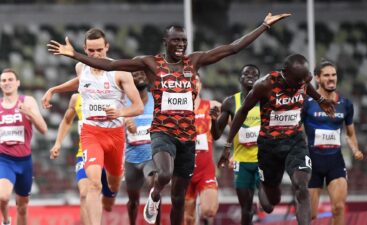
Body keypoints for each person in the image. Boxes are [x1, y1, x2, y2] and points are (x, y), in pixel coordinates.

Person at [47, 12, 291, 225]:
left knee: (177, 197)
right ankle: (154, 196)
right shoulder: (151, 63)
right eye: (176, 40)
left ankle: (160, 202)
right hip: (162, 132)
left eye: (184, 40)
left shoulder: (193, 62)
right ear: (166, 42)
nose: (181, 44)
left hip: (187, 137)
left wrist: (264, 26)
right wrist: (76, 55)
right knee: (163, 174)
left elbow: (232, 48)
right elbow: (109, 66)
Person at [219, 54, 336, 225]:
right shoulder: (265, 85)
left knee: (301, 186)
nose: (301, 84)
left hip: (295, 140)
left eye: (304, 80)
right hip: (269, 146)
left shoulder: (301, 80)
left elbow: (306, 84)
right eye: (298, 81)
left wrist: (320, 99)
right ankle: (267, 189)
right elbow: (242, 111)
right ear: (285, 74)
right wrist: (228, 144)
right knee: (270, 203)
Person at [44, 28, 144, 225]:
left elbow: (138, 106)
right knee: (93, 184)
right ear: (84, 49)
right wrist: (54, 89)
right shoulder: (82, 68)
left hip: (115, 135)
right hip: (91, 134)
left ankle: (111, 192)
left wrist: (121, 113)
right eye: (91, 51)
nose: (96, 55)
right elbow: (80, 83)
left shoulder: (120, 73)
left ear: (107, 47)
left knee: (113, 184)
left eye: (100, 50)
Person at [302, 60, 364, 225]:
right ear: (317, 78)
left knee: (338, 208)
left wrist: (355, 149)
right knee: (310, 215)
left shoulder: (345, 104)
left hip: (335, 162)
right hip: (312, 163)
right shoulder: (307, 104)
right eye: (327, 75)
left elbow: (350, 133)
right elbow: (297, 131)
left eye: (334, 75)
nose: (331, 78)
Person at [49, 93, 118, 225]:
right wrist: (58, 143)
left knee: (107, 198)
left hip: (109, 155)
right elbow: (67, 120)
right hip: (85, 154)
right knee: (85, 193)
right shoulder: (76, 98)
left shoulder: (111, 93)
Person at [213, 64, 261, 225]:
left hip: (263, 161)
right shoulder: (230, 102)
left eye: (255, 75)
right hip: (241, 161)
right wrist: (214, 121)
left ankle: (258, 209)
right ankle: (251, 216)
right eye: (246, 73)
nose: (250, 76)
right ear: (240, 78)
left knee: (268, 205)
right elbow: (216, 134)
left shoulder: (266, 101)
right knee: (245, 207)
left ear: (259, 80)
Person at [0, 69, 48, 225]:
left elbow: (43, 129)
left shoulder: (28, 101)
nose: (7, 83)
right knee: (3, 196)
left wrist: (30, 113)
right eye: (3, 80)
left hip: (24, 161)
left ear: (18, 82)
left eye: (10, 79)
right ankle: (6, 220)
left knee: (22, 206)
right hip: (4, 159)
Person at [124, 70, 161, 225]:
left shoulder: (157, 101)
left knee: (155, 188)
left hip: (151, 156)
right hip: (131, 158)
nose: (139, 77)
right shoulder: (123, 102)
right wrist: (125, 123)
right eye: (135, 75)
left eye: (142, 74)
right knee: (133, 200)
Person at [184, 74, 221, 225]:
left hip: (205, 170)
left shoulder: (212, 106)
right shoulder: (174, 112)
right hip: (183, 173)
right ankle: (195, 210)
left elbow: (237, 122)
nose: (192, 85)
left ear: (200, 85)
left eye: (196, 81)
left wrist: (233, 150)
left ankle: (202, 203)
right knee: (188, 219)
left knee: (209, 211)